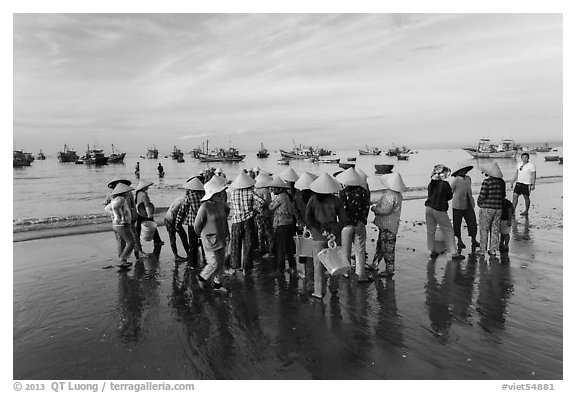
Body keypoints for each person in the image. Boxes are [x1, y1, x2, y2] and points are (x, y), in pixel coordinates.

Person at [306, 173, 347, 299]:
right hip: (333, 237)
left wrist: (320, 228)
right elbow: (343, 220)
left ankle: (319, 291)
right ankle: (334, 288)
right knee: (335, 264)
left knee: (318, 265)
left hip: (318, 236)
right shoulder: (336, 200)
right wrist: (334, 231)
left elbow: (309, 218)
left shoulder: (313, 200)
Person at [194, 176, 230, 292]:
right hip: (209, 239)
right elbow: (197, 225)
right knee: (213, 262)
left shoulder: (221, 204)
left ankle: (217, 284)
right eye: (218, 193)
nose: (221, 194)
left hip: (221, 236)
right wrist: (203, 236)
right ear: (212, 194)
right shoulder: (204, 207)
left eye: (221, 192)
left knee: (221, 262)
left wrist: (226, 232)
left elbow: (227, 212)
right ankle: (202, 277)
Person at [336, 168, 371, 282]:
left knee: (346, 250)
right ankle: (361, 275)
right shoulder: (363, 191)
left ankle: (346, 272)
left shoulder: (342, 193)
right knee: (360, 250)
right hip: (360, 224)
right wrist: (362, 221)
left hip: (347, 225)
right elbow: (366, 207)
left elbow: (342, 209)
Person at [425, 164, 465, 260]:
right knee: (448, 230)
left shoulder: (431, 184)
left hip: (428, 208)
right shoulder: (444, 184)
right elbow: (449, 196)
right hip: (439, 208)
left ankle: (431, 250)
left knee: (430, 230)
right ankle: (454, 253)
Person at [371, 172, 406, 277]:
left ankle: (389, 269)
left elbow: (385, 210)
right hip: (390, 225)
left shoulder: (390, 195)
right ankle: (375, 263)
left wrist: (375, 209)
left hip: (388, 226)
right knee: (382, 245)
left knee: (387, 248)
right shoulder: (398, 195)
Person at [229, 172, 265, 273]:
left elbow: (231, 205)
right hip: (248, 220)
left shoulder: (232, 193)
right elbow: (262, 202)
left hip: (236, 221)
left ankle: (235, 267)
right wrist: (256, 210)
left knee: (235, 244)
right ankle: (246, 268)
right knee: (248, 244)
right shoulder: (250, 192)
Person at [104, 178, 142, 259]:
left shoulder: (129, 194)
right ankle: (122, 258)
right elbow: (106, 206)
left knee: (133, 236)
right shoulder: (111, 195)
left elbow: (133, 205)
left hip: (128, 218)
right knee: (123, 241)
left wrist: (134, 214)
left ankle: (137, 252)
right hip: (120, 221)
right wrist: (116, 214)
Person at [268, 176, 297, 274]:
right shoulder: (287, 195)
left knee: (280, 248)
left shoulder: (280, 197)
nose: (272, 190)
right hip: (288, 224)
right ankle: (292, 267)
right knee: (289, 247)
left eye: (274, 188)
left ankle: (280, 269)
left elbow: (271, 208)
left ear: (280, 188)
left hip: (282, 225)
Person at [175, 177, 206, 267]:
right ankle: (205, 261)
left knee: (193, 244)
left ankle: (193, 264)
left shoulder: (189, 197)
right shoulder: (205, 195)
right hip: (203, 222)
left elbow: (182, 211)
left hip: (192, 223)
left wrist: (178, 223)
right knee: (204, 243)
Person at [477, 162, 506, 256]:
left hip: (487, 208)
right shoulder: (502, 182)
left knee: (484, 229)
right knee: (495, 229)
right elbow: (503, 196)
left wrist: (479, 203)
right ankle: (493, 249)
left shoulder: (487, 182)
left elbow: (482, 195)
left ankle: (482, 249)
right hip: (498, 208)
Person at [450, 165, 480, 250]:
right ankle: (459, 240)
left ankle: (473, 239)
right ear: (459, 172)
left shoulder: (468, 179)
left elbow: (469, 190)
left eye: (465, 171)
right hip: (458, 204)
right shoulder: (455, 181)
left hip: (469, 203)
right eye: (463, 171)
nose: (464, 172)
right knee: (457, 223)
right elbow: (451, 191)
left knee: (472, 222)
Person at [134, 180, 163, 252]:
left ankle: (136, 243)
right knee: (153, 226)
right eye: (147, 187)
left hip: (139, 212)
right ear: (144, 187)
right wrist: (149, 215)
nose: (148, 188)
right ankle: (157, 241)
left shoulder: (138, 194)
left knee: (138, 228)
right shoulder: (144, 194)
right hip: (145, 213)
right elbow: (147, 205)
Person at [253, 173, 274, 257]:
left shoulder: (255, 191)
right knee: (269, 232)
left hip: (258, 214)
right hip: (266, 214)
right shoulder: (266, 191)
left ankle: (262, 249)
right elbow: (268, 202)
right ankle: (270, 250)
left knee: (260, 232)